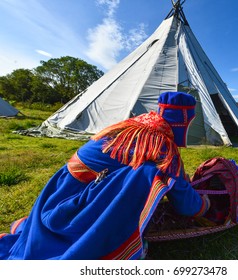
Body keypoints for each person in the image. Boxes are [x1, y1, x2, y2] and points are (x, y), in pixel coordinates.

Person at [0, 91, 210, 260]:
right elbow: (187, 206)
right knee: (151, 173)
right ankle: (112, 242)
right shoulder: (162, 148)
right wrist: (205, 204)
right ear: (184, 121)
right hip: (75, 214)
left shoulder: (134, 126)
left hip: (55, 195)